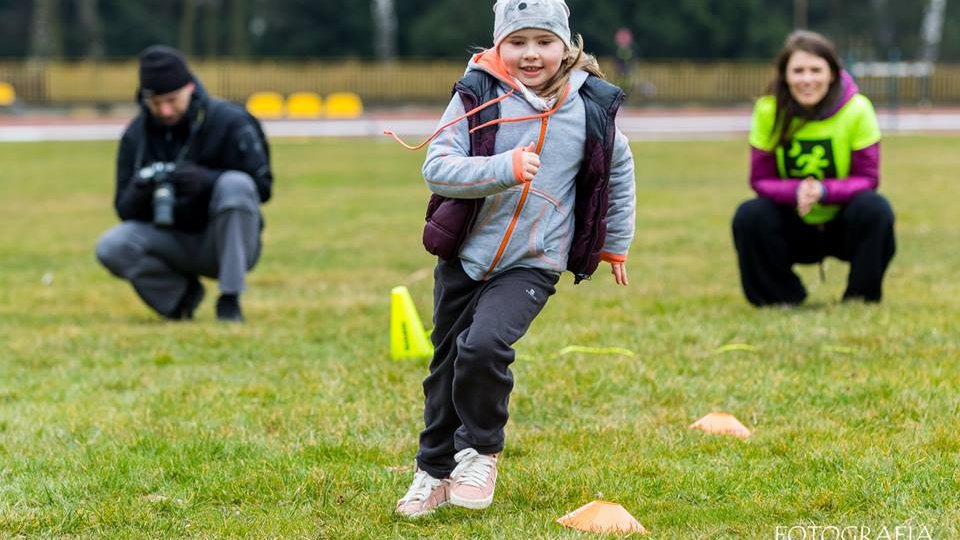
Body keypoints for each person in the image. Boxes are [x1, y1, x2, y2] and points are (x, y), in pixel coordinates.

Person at [389, 0, 636, 517]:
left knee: (483, 347)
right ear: (499, 45)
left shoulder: (591, 105)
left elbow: (617, 172)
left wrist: (615, 241)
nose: (531, 54)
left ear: (566, 46)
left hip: (534, 259)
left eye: (544, 42)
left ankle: (481, 452)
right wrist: (504, 166)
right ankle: (432, 472)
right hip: (466, 255)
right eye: (517, 42)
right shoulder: (476, 94)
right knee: (446, 366)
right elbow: (437, 168)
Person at [95, 45, 272, 322]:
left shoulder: (231, 121)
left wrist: (208, 180)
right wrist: (143, 189)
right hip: (171, 236)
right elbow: (123, 210)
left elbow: (262, 187)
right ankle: (180, 299)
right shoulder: (136, 135)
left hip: (225, 241)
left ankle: (230, 299)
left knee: (235, 184)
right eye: (155, 103)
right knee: (112, 245)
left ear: (190, 87)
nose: (165, 111)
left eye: (172, 100)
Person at [732, 30, 895, 307]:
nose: (807, 79)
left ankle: (861, 297)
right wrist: (796, 190)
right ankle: (780, 296)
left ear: (832, 73)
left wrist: (823, 190)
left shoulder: (857, 109)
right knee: (749, 216)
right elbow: (760, 179)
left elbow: (868, 178)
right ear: (785, 75)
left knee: (875, 209)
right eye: (798, 71)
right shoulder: (767, 111)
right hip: (793, 222)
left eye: (816, 70)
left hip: (842, 223)